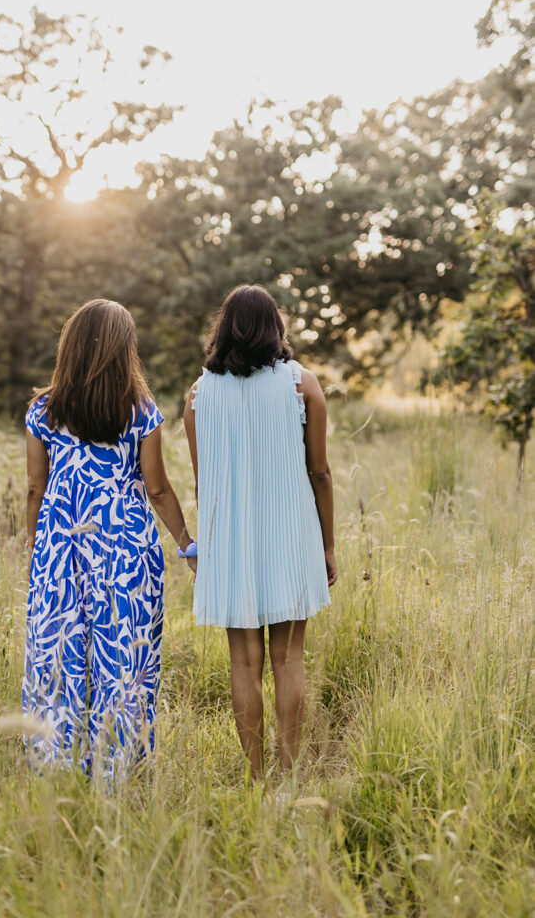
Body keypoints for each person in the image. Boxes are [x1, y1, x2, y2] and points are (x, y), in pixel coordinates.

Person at [24, 299, 195, 781]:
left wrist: (37, 552)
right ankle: (119, 773)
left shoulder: (43, 410)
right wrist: (187, 545)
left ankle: (57, 771)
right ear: (124, 351)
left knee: (59, 658)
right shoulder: (139, 410)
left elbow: (36, 488)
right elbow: (157, 489)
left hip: (61, 551)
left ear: (71, 348)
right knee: (125, 660)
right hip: (127, 553)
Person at [183, 284, 337, 779]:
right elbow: (320, 473)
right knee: (289, 660)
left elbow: (205, 483)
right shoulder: (302, 384)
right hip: (291, 537)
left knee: (242, 664)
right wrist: (328, 545)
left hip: (230, 543)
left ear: (223, 329)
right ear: (277, 327)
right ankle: (288, 776)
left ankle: (256, 779)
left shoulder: (197, 395)